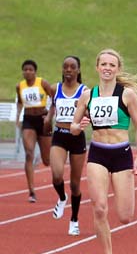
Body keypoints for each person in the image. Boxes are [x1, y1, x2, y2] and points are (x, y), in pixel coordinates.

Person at [70, 50, 137, 254]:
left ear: (118, 69)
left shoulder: (127, 95)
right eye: (103, 64)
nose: (107, 68)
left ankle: (125, 204)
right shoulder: (87, 96)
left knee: (125, 216)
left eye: (112, 64)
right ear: (97, 67)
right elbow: (72, 127)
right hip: (98, 154)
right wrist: (79, 125)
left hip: (121, 153)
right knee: (99, 208)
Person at [50, 56, 89, 235]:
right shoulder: (55, 88)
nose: (68, 70)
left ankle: (74, 219)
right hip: (59, 135)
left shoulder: (84, 91)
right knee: (57, 175)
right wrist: (47, 118)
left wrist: (85, 115)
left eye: (72, 67)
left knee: (75, 184)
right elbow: (52, 107)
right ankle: (61, 197)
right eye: (65, 66)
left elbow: (89, 112)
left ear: (78, 70)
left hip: (77, 137)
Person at [15, 59, 54, 202]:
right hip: (29, 120)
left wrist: (50, 116)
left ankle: (41, 158)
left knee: (47, 160)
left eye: (30, 69)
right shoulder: (20, 86)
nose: (27, 72)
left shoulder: (42, 83)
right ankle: (31, 191)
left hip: (43, 120)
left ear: (35, 71)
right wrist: (18, 117)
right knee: (28, 153)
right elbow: (19, 102)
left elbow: (54, 98)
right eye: (25, 69)